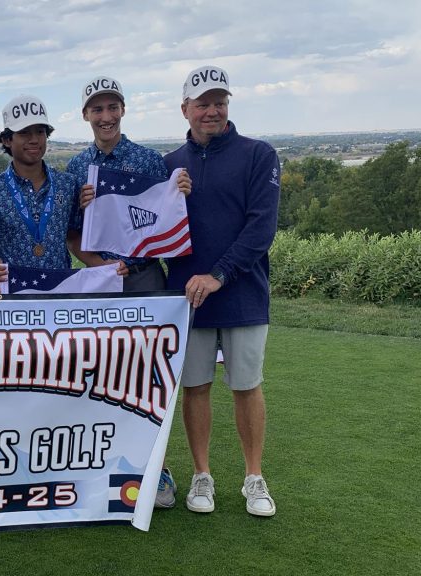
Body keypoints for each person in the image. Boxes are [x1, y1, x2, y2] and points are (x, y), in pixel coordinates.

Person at [66, 75, 191, 509]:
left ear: (122, 110)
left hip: (144, 278)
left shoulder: (148, 160)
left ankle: (157, 468)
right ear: (86, 115)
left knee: (149, 376)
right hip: (100, 283)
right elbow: (72, 235)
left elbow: (167, 218)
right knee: (99, 376)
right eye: (97, 109)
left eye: (112, 107)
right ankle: (102, 465)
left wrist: (180, 192)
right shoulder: (75, 168)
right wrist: (99, 267)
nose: (106, 116)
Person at [163, 65, 280, 517]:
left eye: (219, 102)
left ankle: (254, 477)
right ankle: (202, 475)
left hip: (242, 293)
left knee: (246, 386)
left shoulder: (258, 154)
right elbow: (147, 225)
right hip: (187, 298)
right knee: (195, 388)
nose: (212, 110)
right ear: (185, 109)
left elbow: (261, 228)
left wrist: (220, 274)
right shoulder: (170, 164)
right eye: (203, 104)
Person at [0, 95, 96, 280]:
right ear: (7, 140)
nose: (34, 139)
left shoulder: (68, 184)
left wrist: (104, 266)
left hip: (60, 287)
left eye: (40, 131)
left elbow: (74, 235)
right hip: (12, 290)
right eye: (24, 132)